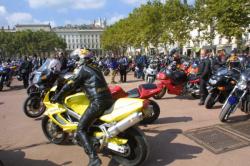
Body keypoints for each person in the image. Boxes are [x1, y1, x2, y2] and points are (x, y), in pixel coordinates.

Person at [51, 49, 113, 166]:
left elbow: (70, 85)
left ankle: (93, 158)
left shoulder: (83, 70)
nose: (74, 61)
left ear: (81, 59)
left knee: (80, 129)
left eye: (75, 59)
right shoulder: (95, 68)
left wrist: (58, 97)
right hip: (108, 99)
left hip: (98, 102)